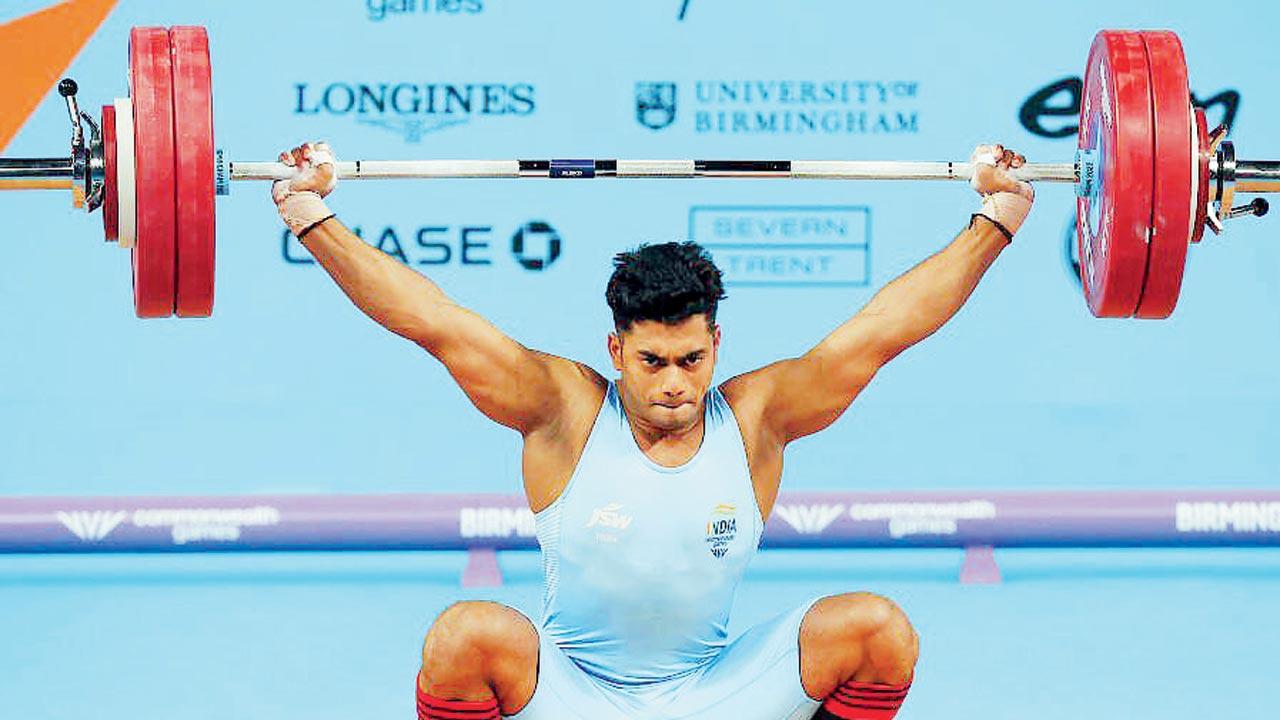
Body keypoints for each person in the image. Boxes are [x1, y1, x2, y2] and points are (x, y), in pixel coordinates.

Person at [271, 142, 1034, 720]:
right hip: (571, 696)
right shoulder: (561, 409)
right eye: (652, 360)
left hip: (718, 693)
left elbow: (882, 331)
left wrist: (995, 217)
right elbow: (432, 321)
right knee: (464, 637)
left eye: (692, 359)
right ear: (616, 350)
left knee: (877, 632)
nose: (674, 383)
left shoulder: (758, 417)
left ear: (717, 346)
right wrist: (312, 215)